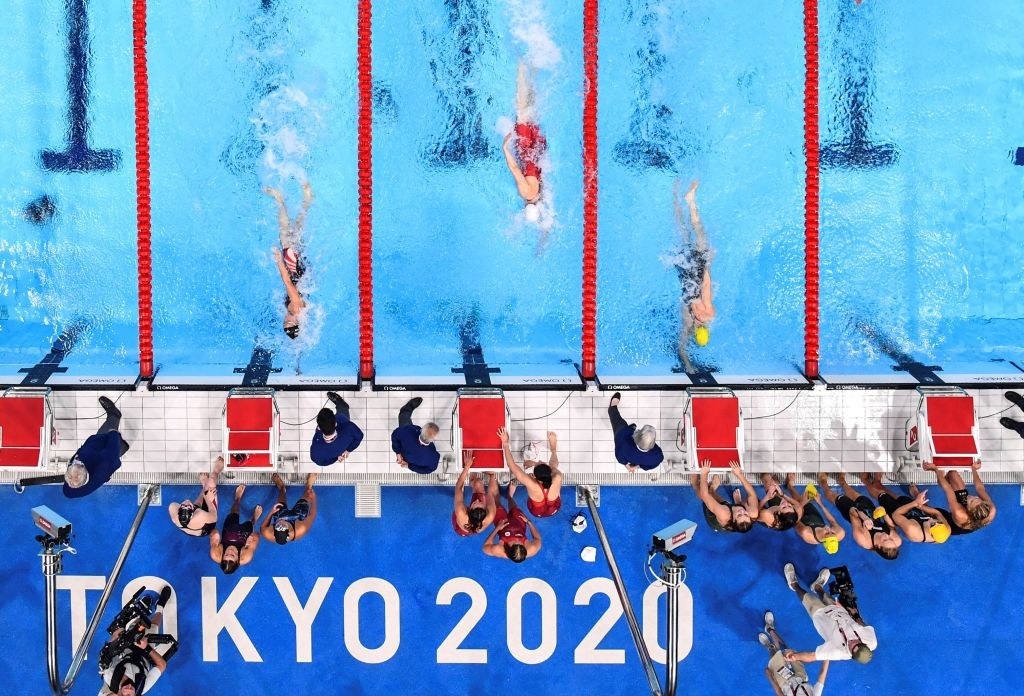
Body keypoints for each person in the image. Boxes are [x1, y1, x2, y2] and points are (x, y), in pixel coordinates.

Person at [781, 562, 877, 664]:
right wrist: (856, 615)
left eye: (851, 647)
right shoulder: (871, 641)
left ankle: (794, 585)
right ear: (865, 644)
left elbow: (812, 656)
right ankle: (817, 586)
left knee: (806, 598)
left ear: (852, 655)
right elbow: (862, 625)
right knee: (825, 596)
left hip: (821, 617)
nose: (852, 642)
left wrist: (795, 657)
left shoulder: (837, 652)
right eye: (856, 643)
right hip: (839, 612)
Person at [670, 179, 715, 370]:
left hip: (696, 274)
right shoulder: (689, 321)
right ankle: (674, 198)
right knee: (683, 234)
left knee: (699, 232)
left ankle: (690, 200)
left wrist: (706, 263)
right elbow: (681, 347)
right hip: (685, 275)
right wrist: (688, 366)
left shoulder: (708, 314)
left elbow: (705, 286)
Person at [99, 587, 173, 695]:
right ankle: (160, 606)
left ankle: (138, 611)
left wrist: (119, 630)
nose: (130, 689)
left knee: (119, 631)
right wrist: (147, 648)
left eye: (126, 694)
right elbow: (162, 665)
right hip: (143, 654)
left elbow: (110, 648)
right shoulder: (142, 686)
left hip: (125, 650)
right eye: (131, 695)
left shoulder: (109, 675)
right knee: (153, 626)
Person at [266, 181, 313, 340]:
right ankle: (279, 199)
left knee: (296, 231)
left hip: (299, 267)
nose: (286, 320)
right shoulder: (295, 307)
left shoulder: (298, 310)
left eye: (285, 324)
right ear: (297, 323)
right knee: (285, 233)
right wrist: (279, 260)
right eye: (290, 323)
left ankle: (307, 200)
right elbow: (287, 283)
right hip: (294, 267)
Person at [818, 473, 901, 560]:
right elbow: (891, 527)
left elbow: (852, 512)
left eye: (885, 540)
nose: (887, 535)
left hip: (853, 513)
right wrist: (884, 514)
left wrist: (865, 519)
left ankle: (823, 483)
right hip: (870, 510)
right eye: (890, 539)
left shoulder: (863, 539)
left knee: (835, 496)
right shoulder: (896, 540)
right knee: (855, 494)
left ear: (878, 546)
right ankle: (842, 481)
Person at [502, 61, 546, 223]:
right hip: (526, 146)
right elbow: (514, 168)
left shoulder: (540, 192)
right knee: (522, 107)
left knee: (532, 110)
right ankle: (520, 65)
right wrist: (505, 148)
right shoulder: (526, 192)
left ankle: (534, 70)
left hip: (537, 146)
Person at [63, 396, 130, 499]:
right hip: (102, 449)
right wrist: (113, 433)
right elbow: (111, 451)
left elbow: (68, 493)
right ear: (86, 471)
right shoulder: (101, 468)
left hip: (93, 452)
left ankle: (123, 447)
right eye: (79, 463)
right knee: (109, 437)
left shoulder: (69, 490)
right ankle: (114, 415)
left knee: (115, 449)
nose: (77, 461)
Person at [860, 471, 950, 544]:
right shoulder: (946, 530)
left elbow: (896, 514)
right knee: (899, 498)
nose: (933, 520)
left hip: (899, 515)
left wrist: (915, 503)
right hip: (915, 514)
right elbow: (937, 513)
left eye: (932, 524)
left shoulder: (913, 531)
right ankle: (878, 483)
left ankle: (865, 481)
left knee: (881, 495)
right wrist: (920, 506)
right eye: (938, 522)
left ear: (930, 533)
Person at [759, 610, 830, 695]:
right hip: (800, 676)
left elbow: (779, 692)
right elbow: (822, 674)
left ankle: (770, 646)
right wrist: (828, 654)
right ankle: (770, 629)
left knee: (775, 657)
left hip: (784, 683)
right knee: (788, 652)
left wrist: (770, 677)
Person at [499, 427, 562, 518]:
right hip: (554, 507)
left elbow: (512, 465)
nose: (539, 460)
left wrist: (505, 443)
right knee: (554, 470)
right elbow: (553, 465)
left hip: (536, 511)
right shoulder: (557, 477)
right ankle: (553, 448)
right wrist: (534, 463)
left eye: (539, 462)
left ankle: (510, 495)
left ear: (535, 477)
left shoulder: (531, 483)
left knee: (525, 480)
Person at [924, 459, 996, 533]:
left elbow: (948, 489)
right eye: (977, 498)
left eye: (972, 501)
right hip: (976, 515)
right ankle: (941, 480)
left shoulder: (959, 513)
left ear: (968, 509)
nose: (973, 496)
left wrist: (936, 469)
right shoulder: (989, 507)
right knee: (953, 474)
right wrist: (974, 469)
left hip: (954, 524)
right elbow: (979, 488)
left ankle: (919, 500)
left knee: (932, 513)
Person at [689, 460, 757, 533]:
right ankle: (712, 490)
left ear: (733, 519)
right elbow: (752, 494)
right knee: (711, 493)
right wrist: (739, 474)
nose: (742, 511)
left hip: (716, 521)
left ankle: (695, 484)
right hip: (729, 511)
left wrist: (704, 473)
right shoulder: (753, 513)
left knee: (706, 498)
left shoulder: (724, 513)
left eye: (739, 515)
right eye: (746, 515)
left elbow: (705, 495)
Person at [482, 482, 542, 563]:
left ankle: (496, 496)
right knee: (514, 508)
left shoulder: (500, 550)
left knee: (497, 506)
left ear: (508, 549)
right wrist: (529, 522)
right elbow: (537, 538)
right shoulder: (531, 549)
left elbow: (485, 547)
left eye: (514, 544)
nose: (517, 541)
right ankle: (509, 496)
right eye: (521, 544)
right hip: (519, 524)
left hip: (502, 527)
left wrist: (497, 529)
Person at [784, 474, 845, 553]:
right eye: (832, 532)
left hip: (799, 520)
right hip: (815, 518)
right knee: (802, 501)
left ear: (823, 540)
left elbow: (793, 521)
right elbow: (832, 521)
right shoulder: (840, 533)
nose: (828, 529)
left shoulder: (807, 534)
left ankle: (788, 487)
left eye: (827, 533)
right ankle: (790, 487)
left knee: (794, 503)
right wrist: (820, 503)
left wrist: (802, 503)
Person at [209, 485, 263, 574]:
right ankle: (254, 519)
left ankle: (237, 498)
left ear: (222, 557)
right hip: (243, 538)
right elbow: (257, 534)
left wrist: (215, 535)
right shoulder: (246, 557)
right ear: (237, 559)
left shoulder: (215, 554)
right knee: (250, 524)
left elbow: (213, 532)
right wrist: (250, 540)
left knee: (234, 513)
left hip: (228, 534)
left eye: (226, 554)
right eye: (232, 555)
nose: (230, 551)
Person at [607, 392, 664, 472]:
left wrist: (627, 465)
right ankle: (632, 427)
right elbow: (651, 466)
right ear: (652, 443)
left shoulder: (623, 445)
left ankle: (613, 405)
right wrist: (634, 467)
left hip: (623, 433)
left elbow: (619, 457)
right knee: (630, 427)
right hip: (634, 458)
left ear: (638, 434)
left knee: (615, 417)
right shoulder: (657, 456)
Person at [167, 456, 224, 537]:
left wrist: (205, 491)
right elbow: (214, 515)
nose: (187, 501)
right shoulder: (200, 515)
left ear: (179, 510)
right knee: (211, 484)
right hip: (206, 527)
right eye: (189, 505)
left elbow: (192, 506)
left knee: (205, 491)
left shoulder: (173, 507)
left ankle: (204, 485)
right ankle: (216, 471)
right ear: (193, 512)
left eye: (183, 505)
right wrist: (209, 499)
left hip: (191, 523)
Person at [261, 473, 318, 545]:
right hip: (297, 519)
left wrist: (271, 513)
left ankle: (282, 488)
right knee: (307, 496)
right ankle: (308, 486)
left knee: (279, 506)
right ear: (289, 531)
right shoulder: (300, 530)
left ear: (274, 532)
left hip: (282, 516)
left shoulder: (267, 533)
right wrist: (313, 499)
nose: (281, 522)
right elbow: (312, 515)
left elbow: (263, 527)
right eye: (283, 525)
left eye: (278, 525)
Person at [310, 391, 364, 467]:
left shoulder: (316, 454)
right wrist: (348, 450)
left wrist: (336, 457)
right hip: (341, 424)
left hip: (339, 450)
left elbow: (321, 462)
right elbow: (360, 436)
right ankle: (340, 403)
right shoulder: (348, 427)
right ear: (335, 423)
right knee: (343, 408)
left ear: (320, 428)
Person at [391, 396, 441, 475]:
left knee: (404, 414)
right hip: (407, 459)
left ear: (421, 430)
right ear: (433, 439)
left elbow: (394, 435)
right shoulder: (434, 457)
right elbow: (428, 470)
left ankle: (410, 406)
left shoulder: (407, 431)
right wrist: (409, 466)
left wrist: (398, 453)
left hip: (404, 450)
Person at [452, 450, 498, 536]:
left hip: (461, 528)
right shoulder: (491, 514)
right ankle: (473, 477)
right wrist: (492, 476)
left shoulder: (461, 512)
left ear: (469, 510)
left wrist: (467, 466)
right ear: (485, 508)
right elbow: (491, 493)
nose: (477, 500)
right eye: (480, 503)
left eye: (475, 502)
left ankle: (471, 467)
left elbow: (458, 486)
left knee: (458, 497)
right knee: (478, 483)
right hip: (477, 523)